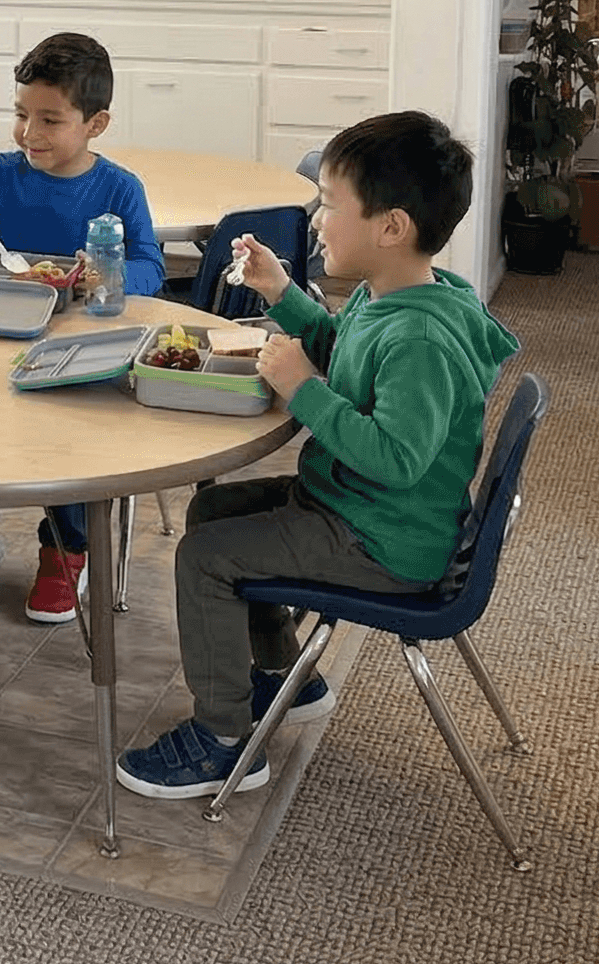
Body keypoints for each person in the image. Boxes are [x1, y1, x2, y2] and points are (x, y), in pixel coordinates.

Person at [118, 109, 519, 799]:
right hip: (366, 513)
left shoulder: (419, 339)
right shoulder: (396, 296)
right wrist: (283, 293)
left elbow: (395, 457)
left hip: (384, 541)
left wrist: (302, 388)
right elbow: (346, 352)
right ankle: (282, 671)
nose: (315, 219)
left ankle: (220, 739)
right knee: (216, 508)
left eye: (330, 205)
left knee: (205, 557)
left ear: (390, 226)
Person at [0, 31, 165, 622]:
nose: (30, 133)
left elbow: (151, 265)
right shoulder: (1, 172)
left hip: (75, 344)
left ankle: (66, 547)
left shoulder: (119, 188)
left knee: (73, 432)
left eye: (50, 120)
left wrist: (100, 276)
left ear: (95, 124)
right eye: (21, 114)